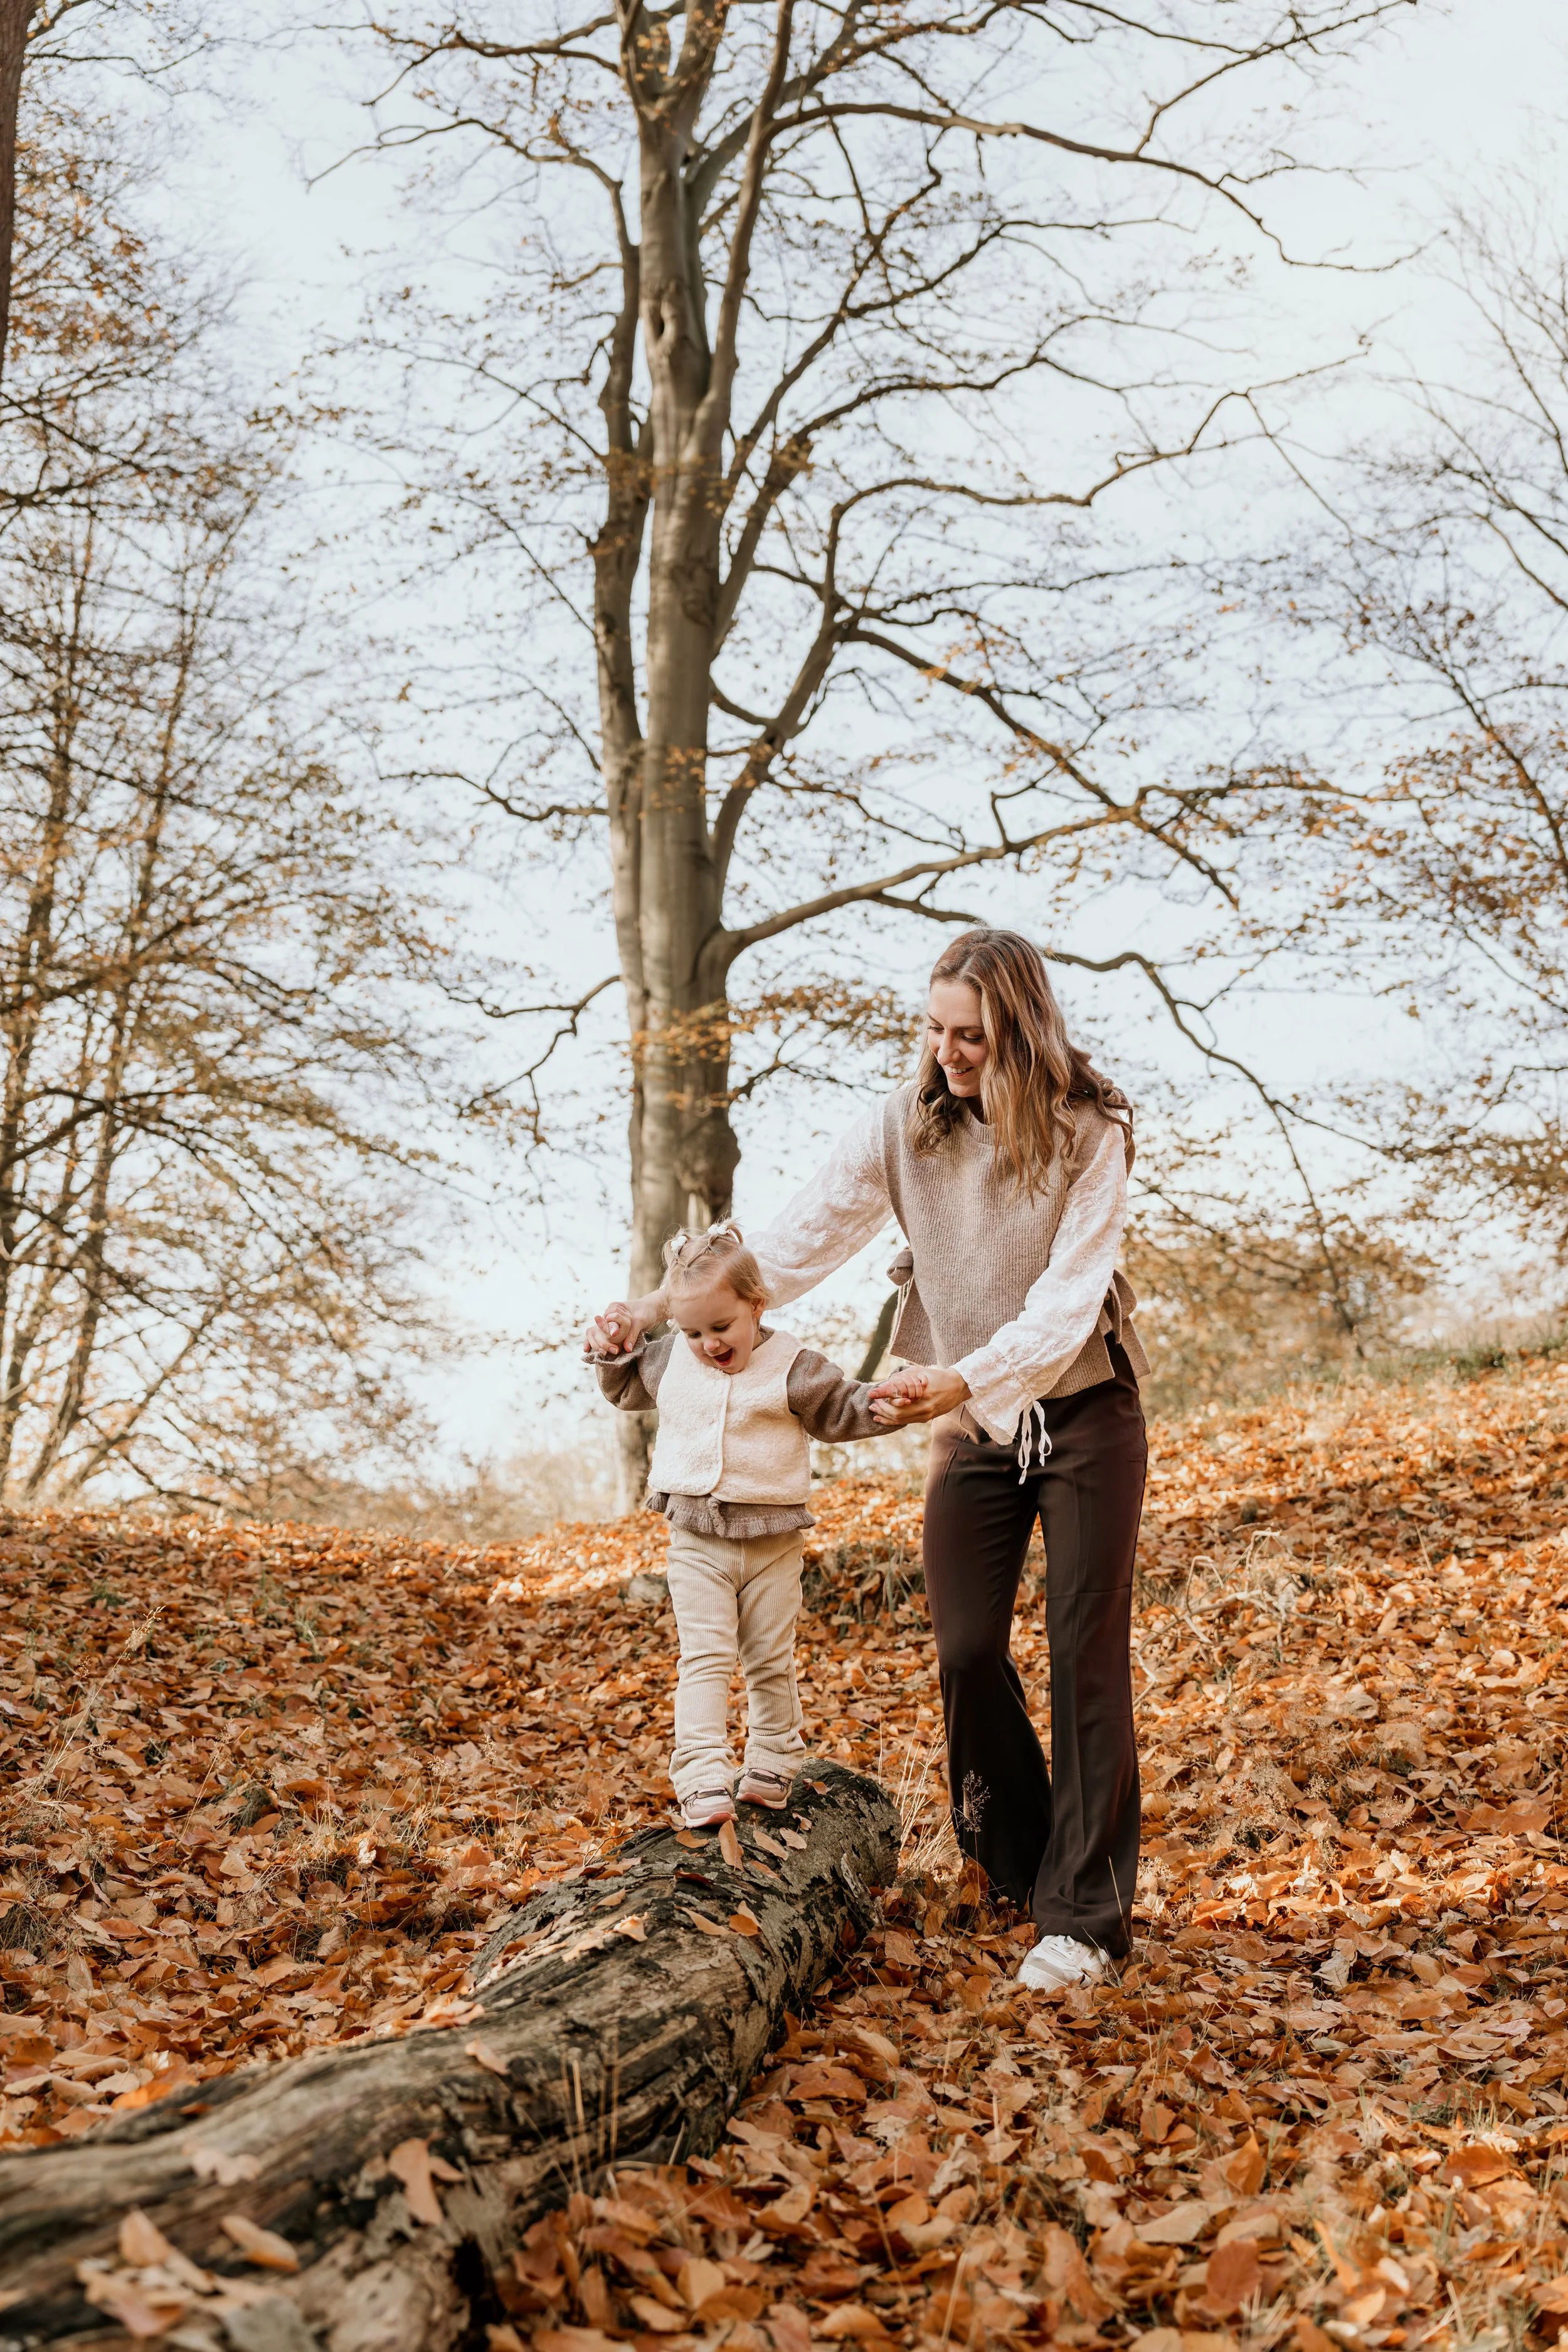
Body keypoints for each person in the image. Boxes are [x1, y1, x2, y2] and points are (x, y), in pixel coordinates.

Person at [589, 928, 1149, 1990]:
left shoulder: (1089, 1134)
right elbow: (786, 1248)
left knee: (1085, 1656)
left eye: (971, 1034)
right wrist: (655, 1312)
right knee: (969, 1644)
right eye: (935, 1028)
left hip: (1084, 1411)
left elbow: (1069, 1302)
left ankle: (1086, 1920)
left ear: (1022, 1030)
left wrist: (961, 1377)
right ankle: (1023, 1867)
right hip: (967, 1421)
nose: (948, 1051)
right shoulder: (906, 1128)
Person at [586, 1221, 922, 1829]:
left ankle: (772, 1756)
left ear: (755, 1306)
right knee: (706, 1656)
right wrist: (612, 1352)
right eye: (691, 1331)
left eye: (720, 1327)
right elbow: (626, 1385)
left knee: (769, 1657)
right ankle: (700, 1773)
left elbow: (842, 1406)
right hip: (695, 1539)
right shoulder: (668, 1362)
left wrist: (888, 1402)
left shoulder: (792, 1365)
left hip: (772, 1544)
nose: (706, 1343)